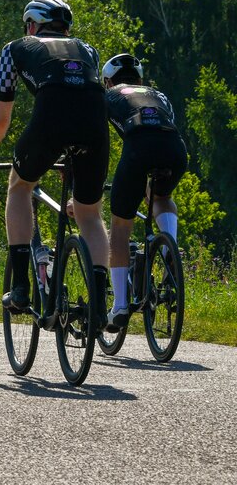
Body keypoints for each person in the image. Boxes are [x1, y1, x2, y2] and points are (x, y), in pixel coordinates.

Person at [0, 0, 110, 322]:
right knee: (90, 214)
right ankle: (101, 306)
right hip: (94, 128)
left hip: (51, 120)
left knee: (19, 186)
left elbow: (1, 118)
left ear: (31, 25)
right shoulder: (88, 49)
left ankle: (20, 287)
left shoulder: (15, 48)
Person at [101, 53, 188, 331]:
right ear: (139, 79)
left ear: (107, 81)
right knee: (161, 196)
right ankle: (169, 247)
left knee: (120, 226)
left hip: (138, 148)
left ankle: (120, 307)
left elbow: (95, 140)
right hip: (175, 148)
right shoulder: (158, 94)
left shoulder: (107, 96)